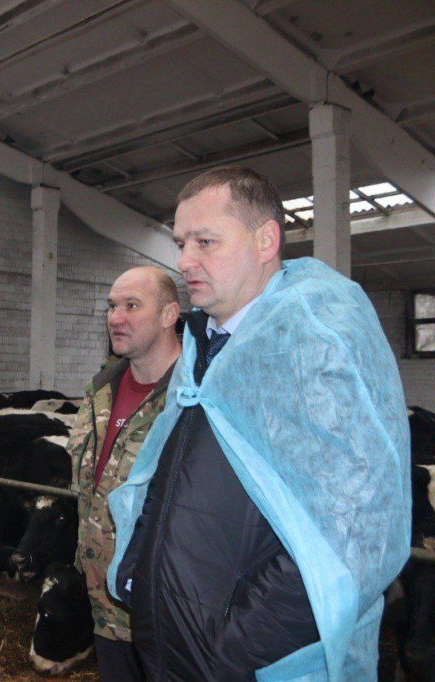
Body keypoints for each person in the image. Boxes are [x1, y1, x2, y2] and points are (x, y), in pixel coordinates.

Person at [107, 166, 411, 679]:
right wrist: (141, 578)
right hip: (173, 646)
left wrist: (231, 649)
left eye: (205, 241)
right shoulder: (205, 347)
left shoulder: (313, 343)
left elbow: (359, 536)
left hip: (249, 664)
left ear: (266, 240)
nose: (184, 261)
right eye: (181, 243)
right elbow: (167, 475)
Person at [68, 266, 181, 681]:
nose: (115, 318)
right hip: (104, 605)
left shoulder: (195, 397)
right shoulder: (100, 389)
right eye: (112, 306)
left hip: (169, 613)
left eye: (132, 306)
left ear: (168, 314)